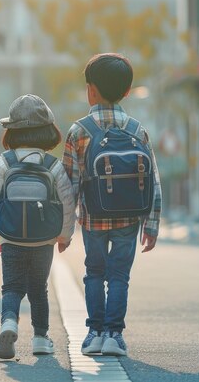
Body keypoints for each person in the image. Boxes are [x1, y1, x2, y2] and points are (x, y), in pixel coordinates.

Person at [62, 53, 162, 356]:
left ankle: (94, 333)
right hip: (130, 218)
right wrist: (152, 223)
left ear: (90, 90)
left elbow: (69, 187)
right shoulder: (137, 129)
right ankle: (114, 337)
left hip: (93, 217)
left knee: (94, 272)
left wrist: (64, 231)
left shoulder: (79, 131)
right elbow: (153, 178)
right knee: (119, 275)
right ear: (128, 92)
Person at [0, 94, 76, 360]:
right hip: (43, 240)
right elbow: (67, 202)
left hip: (11, 238)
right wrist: (64, 235)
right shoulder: (52, 165)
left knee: (11, 287)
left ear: (11, 131)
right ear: (48, 131)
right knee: (38, 289)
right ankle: (40, 338)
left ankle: (9, 322)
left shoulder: (4, 163)